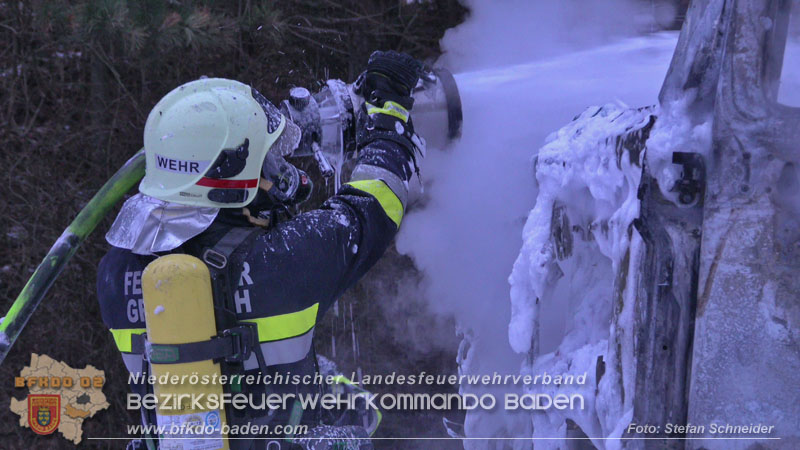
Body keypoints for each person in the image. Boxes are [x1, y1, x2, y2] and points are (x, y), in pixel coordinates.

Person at [96, 51, 423, 449]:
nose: (279, 173)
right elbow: (376, 204)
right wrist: (389, 126)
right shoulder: (286, 258)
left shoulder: (115, 273)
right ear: (230, 179)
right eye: (267, 163)